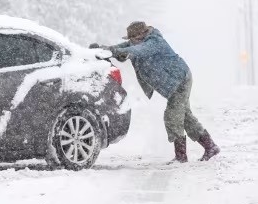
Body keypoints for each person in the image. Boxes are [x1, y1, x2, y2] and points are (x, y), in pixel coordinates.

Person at [91, 21, 220, 163]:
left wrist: (118, 52)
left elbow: (137, 51)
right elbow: (121, 48)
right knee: (185, 117)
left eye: (132, 38)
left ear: (141, 35)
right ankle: (210, 147)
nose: (130, 42)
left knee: (172, 116)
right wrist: (102, 50)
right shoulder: (136, 43)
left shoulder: (154, 42)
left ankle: (181, 157)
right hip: (173, 83)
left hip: (180, 81)